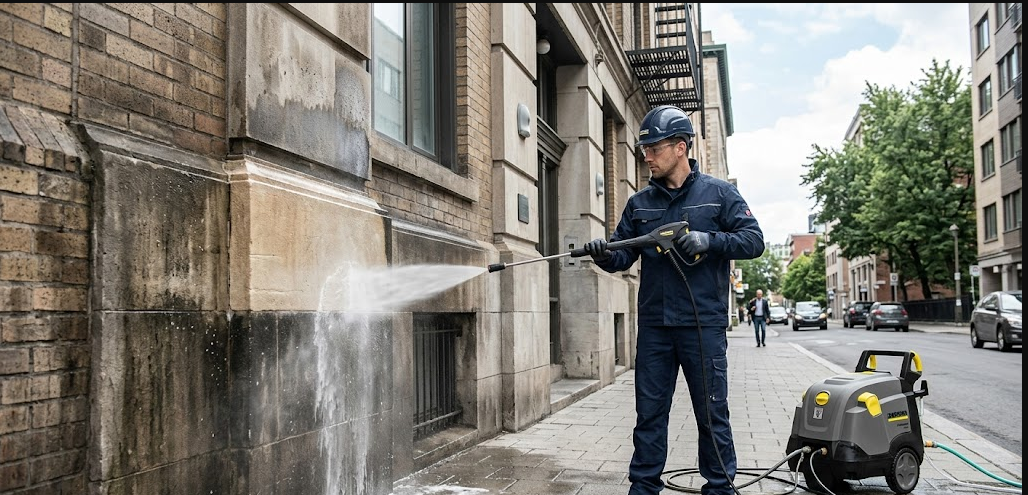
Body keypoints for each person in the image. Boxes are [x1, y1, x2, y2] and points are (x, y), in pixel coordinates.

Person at [584, 105, 765, 495]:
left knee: (711, 413)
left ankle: (719, 487)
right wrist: (603, 251)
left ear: (680, 148)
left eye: (653, 147)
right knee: (649, 414)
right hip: (655, 328)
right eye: (643, 148)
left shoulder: (720, 195)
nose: (646, 155)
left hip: (703, 325)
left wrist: (711, 241)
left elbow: (754, 240)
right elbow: (621, 256)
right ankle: (644, 487)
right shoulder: (639, 204)